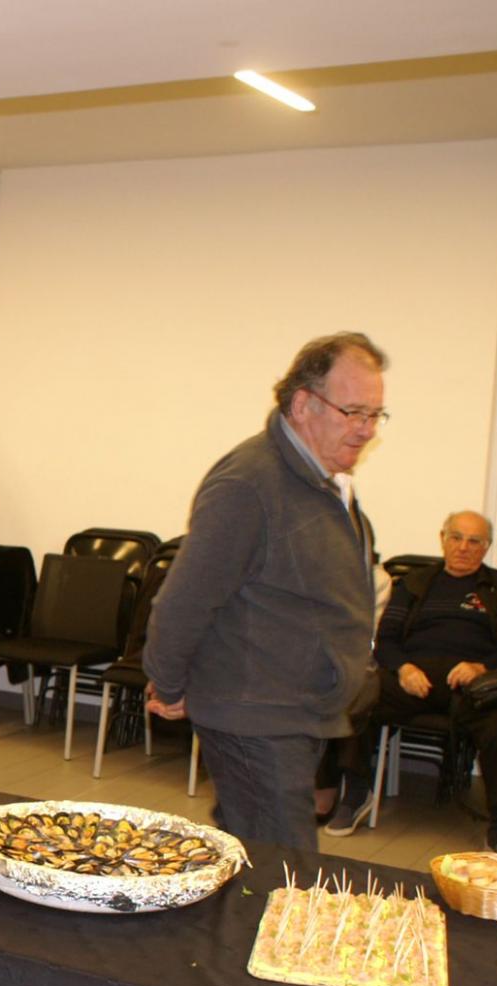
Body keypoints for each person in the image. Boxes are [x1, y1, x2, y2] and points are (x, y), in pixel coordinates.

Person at [143, 332, 384, 853]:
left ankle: (226, 933)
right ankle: (249, 936)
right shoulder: (250, 484)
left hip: (289, 710)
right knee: (282, 874)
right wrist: (168, 682)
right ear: (303, 404)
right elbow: (184, 598)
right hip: (258, 717)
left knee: (249, 855)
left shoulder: (322, 477)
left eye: (375, 416)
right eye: (354, 412)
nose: (366, 430)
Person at [325, 511, 497, 850]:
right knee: (358, 694)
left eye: (474, 541)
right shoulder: (415, 584)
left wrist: (481, 666)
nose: (463, 547)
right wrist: (403, 668)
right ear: (443, 539)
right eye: (456, 537)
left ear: (487, 547)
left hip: (474, 686)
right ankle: (356, 791)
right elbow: (386, 639)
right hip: (415, 680)